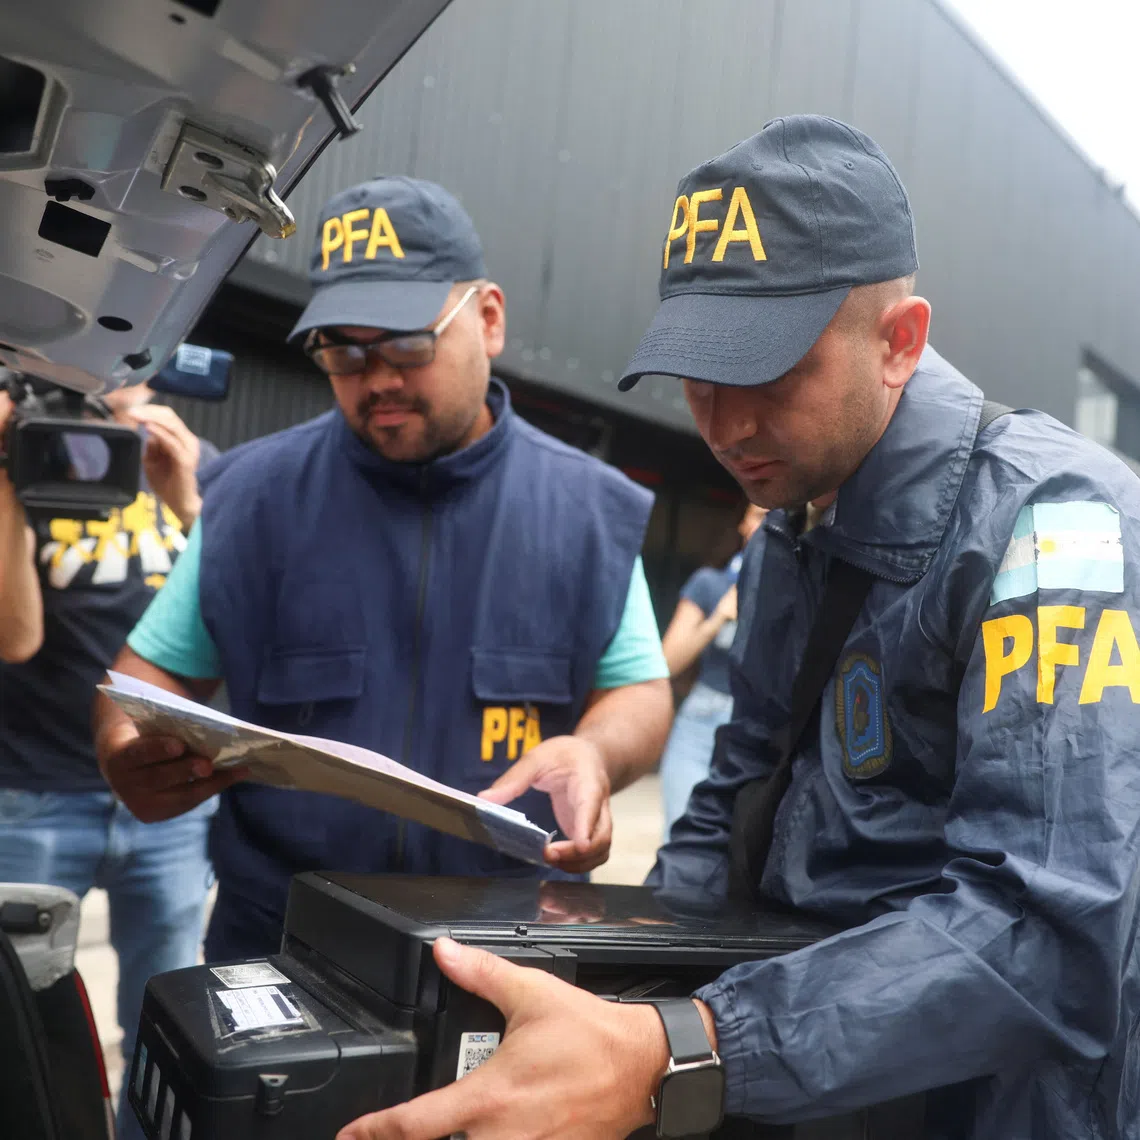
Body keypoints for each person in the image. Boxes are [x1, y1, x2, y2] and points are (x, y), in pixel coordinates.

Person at [334, 116, 1140, 1140]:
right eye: (697, 374)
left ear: (899, 342)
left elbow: (1043, 928)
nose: (722, 424)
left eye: (765, 374)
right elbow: (735, 799)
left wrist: (688, 1049)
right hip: (805, 1076)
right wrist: (618, 995)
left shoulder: (1055, 525)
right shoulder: (791, 532)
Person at [92, 176, 674, 963]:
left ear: (490, 319)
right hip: (282, 946)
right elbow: (143, 682)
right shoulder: (254, 500)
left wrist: (597, 754)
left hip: (502, 951)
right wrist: (130, 749)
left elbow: (638, 688)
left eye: (407, 343)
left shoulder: (583, 510)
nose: (379, 379)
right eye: (344, 351)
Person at [0, 381, 217, 1140]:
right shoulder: (27, 464)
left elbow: (242, 613)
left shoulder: (184, 463)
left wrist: (190, 499)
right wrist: (6, 473)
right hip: (32, 790)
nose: (101, 387)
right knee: (13, 1010)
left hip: (170, 800)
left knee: (165, 1019)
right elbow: (14, 637)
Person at [658, 502, 766, 835]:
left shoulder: (801, 585)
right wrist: (717, 618)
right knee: (681, 835)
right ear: (744, 524)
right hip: (700, 722)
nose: (766, 524)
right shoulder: (710, 583)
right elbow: (667, 664)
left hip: (760, 728)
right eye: (758, 515)